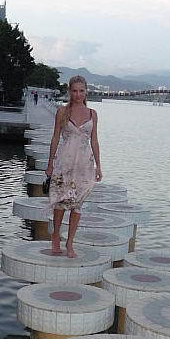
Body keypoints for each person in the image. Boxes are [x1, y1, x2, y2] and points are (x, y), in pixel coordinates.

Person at [45, 75, 102, 257]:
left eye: (81, 91)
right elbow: (55, 137)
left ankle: (70, 243)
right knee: (61, 202)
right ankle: (56, 236)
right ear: (70, 91)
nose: (78, 94)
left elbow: (94, 141)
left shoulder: (92, 114)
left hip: (85, 164)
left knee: (77, 204)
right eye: (75, 91)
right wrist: (50, 163)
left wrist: (99, 166)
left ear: (86, 92)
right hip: (65, 162)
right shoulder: (62, 111)